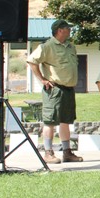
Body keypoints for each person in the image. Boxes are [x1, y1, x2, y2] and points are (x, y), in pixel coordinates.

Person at [26, 19, 82, 164]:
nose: (70, 31)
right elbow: (32, 61)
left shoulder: (70, 46)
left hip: (69, 90)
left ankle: (67, 152)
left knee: (65, 122)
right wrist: (43, 80)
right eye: (67, 29)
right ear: (60, 30)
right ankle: (48, 152)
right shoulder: (47, 46)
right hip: (55, 89)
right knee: (50, 121)